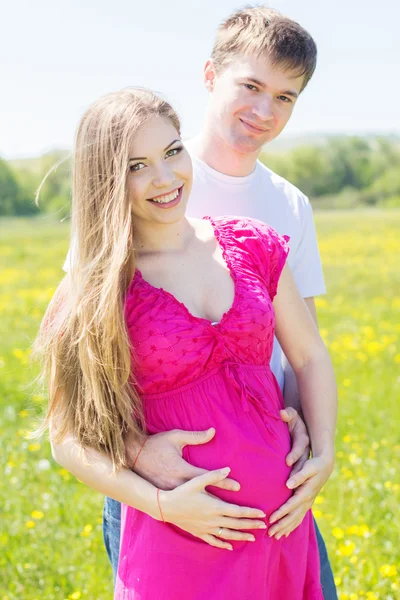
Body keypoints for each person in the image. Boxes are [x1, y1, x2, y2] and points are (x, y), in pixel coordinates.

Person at [60, 6, 337, 598]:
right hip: (172, 498)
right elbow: (86, 389)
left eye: (285, 97)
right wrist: (145, 470)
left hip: (277, 495)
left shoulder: (287, 209)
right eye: (251, 86)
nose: (264, 111)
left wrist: (312, 442)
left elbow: (305, 352)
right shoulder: (133, 218)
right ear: (210, 75)